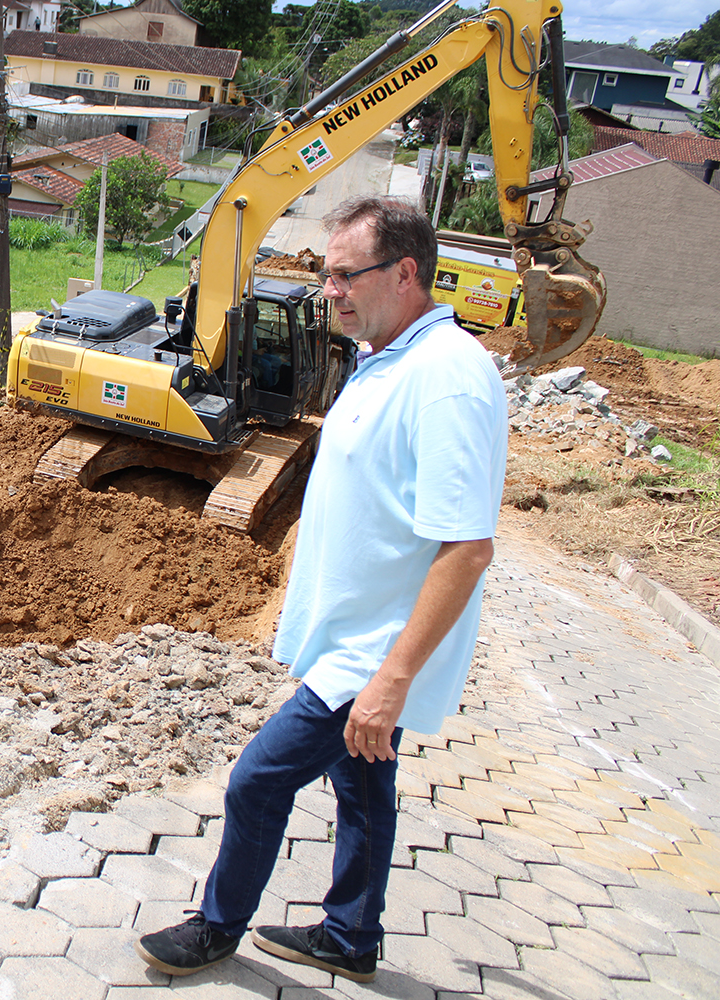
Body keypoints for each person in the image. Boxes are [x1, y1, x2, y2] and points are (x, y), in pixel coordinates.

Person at [135, 196, 508, 984]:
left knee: (259, 778)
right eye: (324, 275)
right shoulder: (387, 357)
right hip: (353, 637)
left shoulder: (446, 380)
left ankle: (217, 925)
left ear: (405, 273)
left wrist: (391, 680)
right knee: (363, 783)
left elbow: (467, 547)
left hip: (374, 651)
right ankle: (350, 935)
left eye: (346, 275)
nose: (330, 291)